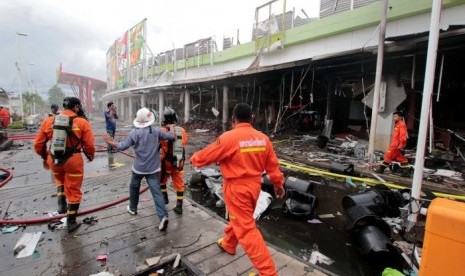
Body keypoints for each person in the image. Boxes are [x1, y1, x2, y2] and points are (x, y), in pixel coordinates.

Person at [190, 103, 285, 276]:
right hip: (255, 187)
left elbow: (206, 155)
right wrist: (278, 185)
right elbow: (273, 167)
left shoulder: (228, 138)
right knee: (242, 218)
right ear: (252, 119)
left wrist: (193, 159)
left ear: (233, 119)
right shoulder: (263, 138)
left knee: (246, 228)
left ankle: (268, 272)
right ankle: (228, 243)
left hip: (236, 189)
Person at [103, 107, 175, 231]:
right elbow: (171, 137)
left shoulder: (134, 133)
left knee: (134, 187)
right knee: (157, 192)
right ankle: (163, 216)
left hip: (138, 168)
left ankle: (133, 208)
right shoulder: (156, 131)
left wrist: (110, 142)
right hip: (153, 169)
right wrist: (172, 126)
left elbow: (122, 146)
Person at [34, 97, 95, 232]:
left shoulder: (49, 121)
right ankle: (71, 222)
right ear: (76, 107)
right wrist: (90, 156)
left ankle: (61, 204)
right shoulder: (82, 122)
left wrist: (45, 157)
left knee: (59, 179)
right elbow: (89, 145)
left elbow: (38, 144)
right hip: (73, 161)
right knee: (73, 189)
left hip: (54, 159)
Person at [159, 107, 189, 214]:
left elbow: (158, 145)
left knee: (161, 180)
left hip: (166, 164)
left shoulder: (161, 131)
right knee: (179, 184)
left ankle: (165, 197)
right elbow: (183, 143)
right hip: (178, 163)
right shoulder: (182, 131)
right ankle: (179, 206)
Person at [375, 111, 410, 176]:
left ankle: (381, 169)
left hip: (396, 145)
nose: (394, 118)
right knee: (400, 158)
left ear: (400, 117)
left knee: (388, 156)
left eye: (395, 116)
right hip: (395, 144)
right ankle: (406, 172)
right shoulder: (397, 124)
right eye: (393, 116)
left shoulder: (401, 125)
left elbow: (403, 136)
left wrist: (401, 145)